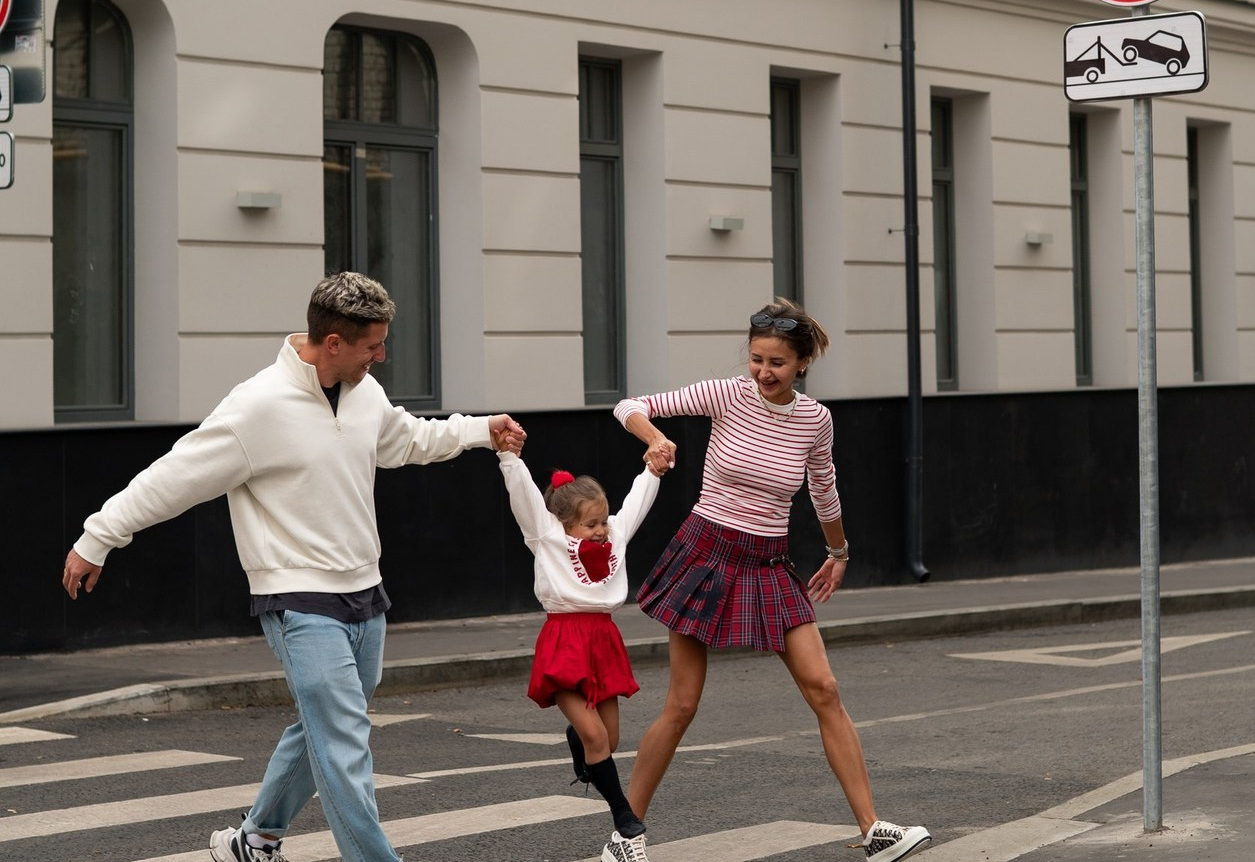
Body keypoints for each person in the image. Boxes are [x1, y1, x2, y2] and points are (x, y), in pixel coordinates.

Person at [61, 271, 527, 862]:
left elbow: (404, 439)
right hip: (298, 601)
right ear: (334, 342)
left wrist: (480, 431)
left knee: (325, 729)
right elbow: (172, 479)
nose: (381, 356)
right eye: (372, 345)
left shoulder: (364, 393)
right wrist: (96, 537)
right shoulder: (256, 407)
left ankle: (253, 839)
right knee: (343, 744)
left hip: (365, 592)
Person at [613, 300, 931, 862]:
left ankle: (873, 829)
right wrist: (653, 438)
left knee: (825, 690)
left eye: (778, 362)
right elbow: (630, 406)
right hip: (706, 553)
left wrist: (839, 550)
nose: (764, 371)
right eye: (758, 358)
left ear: (802, 363)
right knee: (682, 705)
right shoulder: (726, 394)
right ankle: (626, 835)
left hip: (767, 562)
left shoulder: (815, 420)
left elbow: (823, 488)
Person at [497, 445, 664, 862]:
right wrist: (509, 459)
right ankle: (623, 816)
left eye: (602, 521)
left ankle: (577, 742)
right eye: (591, 524)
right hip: (564, 641)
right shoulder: (547, 537)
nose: (601, 529)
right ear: (563, 524)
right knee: (596, 736)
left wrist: (653, 471)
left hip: (603, 641)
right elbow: (525, 500)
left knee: (608, 739)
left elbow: (635, 505)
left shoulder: (615, 535)